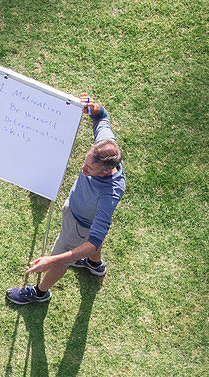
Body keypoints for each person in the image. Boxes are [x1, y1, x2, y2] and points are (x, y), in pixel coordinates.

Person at [7, 95, 126, 305]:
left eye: (89, 169)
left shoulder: (109, 194)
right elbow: (102, 117)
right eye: (85, 161)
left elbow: (94, 241)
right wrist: (93, 107)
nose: (82, 169)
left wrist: (52, 260)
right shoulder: (105, 145)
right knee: (88, 240)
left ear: (107, 171)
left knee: (61, 258)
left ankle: (40, 292)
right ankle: (93, 264)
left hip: (79, 226)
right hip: (81, 217)